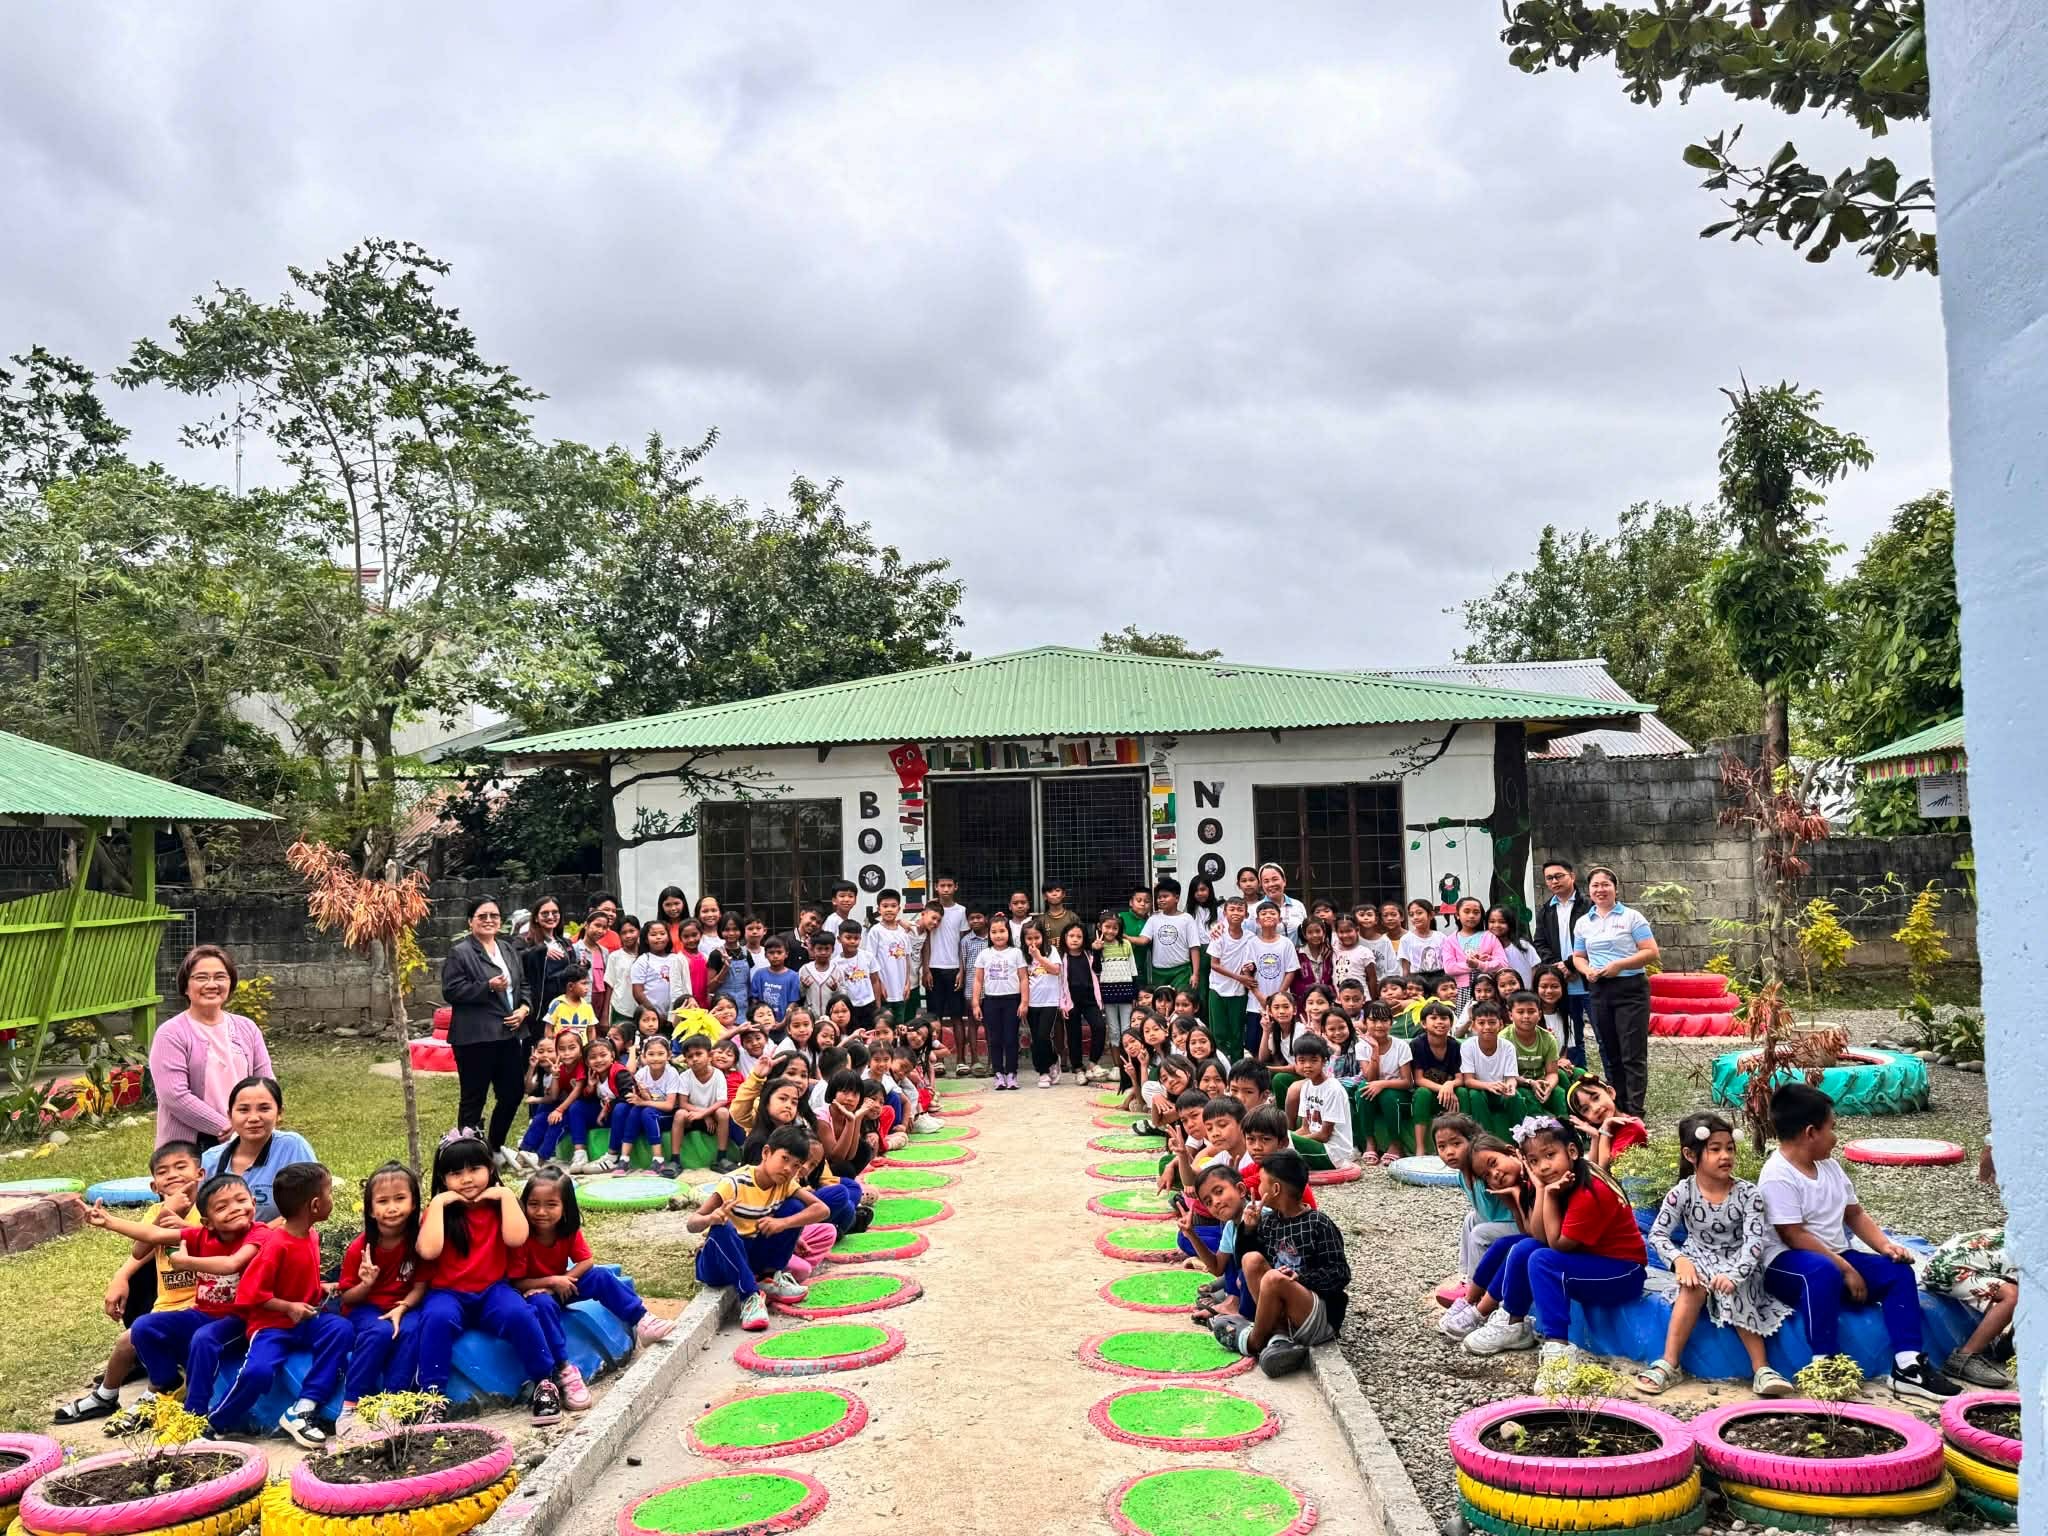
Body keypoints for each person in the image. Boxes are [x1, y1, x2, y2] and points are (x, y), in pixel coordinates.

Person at [1759, 1083, 1959, 1400]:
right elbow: (1793, 1235)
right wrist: (1846, 1269)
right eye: (1832, 1128)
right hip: (1786, 1264)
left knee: (1897, 1271)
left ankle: (1908, 1367)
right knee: (1822, 1271)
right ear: (1811, 1132)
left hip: (1833, 1257)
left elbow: (1854, 1214)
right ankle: (1825, 1364)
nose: (1836, 1137)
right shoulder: (1777, 1174)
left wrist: (1885, 1246)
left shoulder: (1830, 1167)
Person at [1462, 1116, 1647, 1367]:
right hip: (1591, 1260)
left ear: (1572, 1151)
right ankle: (1513, 1324)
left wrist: (1548, 1195)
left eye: (1550, 1155)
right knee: (1525, 1247)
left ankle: (1558, 1349)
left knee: (1542, 1259)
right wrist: (1541, 1190)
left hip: (1624, 1273)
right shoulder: (1554, 1182)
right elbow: (1538, 1237)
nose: (1544, 1166)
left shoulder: (1589, 1190)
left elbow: (1557, 1245)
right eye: (1534, 1161)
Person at [95, 1170, 270, 1430]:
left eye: (241, 1200)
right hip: (204, 1313)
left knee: (204, 1338)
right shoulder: (201, 1236)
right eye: (222, 1207)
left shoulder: (258, 1234)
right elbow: (153, 1235)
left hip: (242, 1318)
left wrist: (187, 1262)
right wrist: (108, 1221)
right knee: (143, 1327)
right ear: (207, 1222)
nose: (234, 1209)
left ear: (253, 1203)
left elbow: (231, 1263)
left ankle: (194, 1413)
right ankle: (168, 1381)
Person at [1636, 1112, 1795, 1398]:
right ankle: (1670, 1363)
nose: (1725, 1156)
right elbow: (1657, 1234)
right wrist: (1679, 1261)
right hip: (1697, 1256)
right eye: (1715, 1149)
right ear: (1690, 1154)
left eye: (1730, 1148)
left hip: (1738, 1260)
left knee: (1737, 1289)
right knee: (1691, 1287)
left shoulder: (1748, 1194)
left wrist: (1736, 1274)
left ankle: (1762, 1369)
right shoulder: (1682, 1192)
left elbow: (1754, 1242)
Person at [416, 1131, 564, 1425]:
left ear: (491, 1169)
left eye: (475, 1169)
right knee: (436, 1319)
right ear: (443, 1178)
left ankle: (545, 1382)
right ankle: (432, 1396)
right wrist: (439, 1203)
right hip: (448, 1292)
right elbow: (429, 1251)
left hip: (493, 1289)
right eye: (456, 1173)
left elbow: (517, 1238)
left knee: (519, 1314)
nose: (467, 1179)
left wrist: (506, 1195)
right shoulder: (440, 1211)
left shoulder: (500, 1206)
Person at [56, 1141, 206, 1425]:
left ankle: (156, 1396)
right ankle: (105, 1395)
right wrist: (164, 1213)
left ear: (200, 1173)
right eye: (163, 1171)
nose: (173, 1175)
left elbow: (206, 1241)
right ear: (154, 1186)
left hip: (198, 1303)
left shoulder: (207, 1210)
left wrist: (173, 1220)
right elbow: (139, 1250)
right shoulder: (155, 1212)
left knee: (140, 1336)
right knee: (126, 1343)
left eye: (181, 1167)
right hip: (167, 1303)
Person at [203, 1162, 351, 1445]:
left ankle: (303, 1408)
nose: (332, 1198)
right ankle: (215, 1423)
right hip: (273, 1327)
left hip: (306, 1321)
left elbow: (297, 1279)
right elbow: (249, 1293)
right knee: (258, 1372)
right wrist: (288, 1307)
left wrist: (321, 1288)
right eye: (330, 1192)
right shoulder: (275, 1245)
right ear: (315, 1205)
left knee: (340, 1330)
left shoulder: (311, 1234)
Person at [513, 1169, 673, 1410]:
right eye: (533, 1204)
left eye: (551, 1204)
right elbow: (515, 1281)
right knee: (543, 1305)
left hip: (562, 1286)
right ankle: (565, 1370)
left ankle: (642, 1320)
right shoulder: (521, 1236)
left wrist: (565, 1279)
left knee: (600, 1276)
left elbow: (586, 1261)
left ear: (565, 1207)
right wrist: (551, 1282)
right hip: (534, 1294)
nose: (541, 1212)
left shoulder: (567, 1230)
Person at [1204, 1151, 1350, 1376]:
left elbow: (1340, 1273)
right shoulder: (1270, 1221)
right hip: (1284, 1311)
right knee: (1252, 1260)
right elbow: (1244, 1263)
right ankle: (1279, 1338)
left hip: (1317, 1315)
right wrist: (1249, 1229)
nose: (1257, 1187)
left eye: (1261, 1182)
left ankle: (1254, 1341)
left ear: (1275, 1189)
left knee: (1274, 1277)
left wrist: (1301, 1278)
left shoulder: (1318, 1223)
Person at [687, 1123, 829, 1331]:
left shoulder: (785, 1184)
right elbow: (692, 1223)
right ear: (766, 1152)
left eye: (796, 1166)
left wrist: (783, 1223)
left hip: (750, 1254)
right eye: (784, 1159)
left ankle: (769, 1277)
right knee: (722, 1228)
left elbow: (822, 1209)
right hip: (717, 1264)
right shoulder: (734, 1182)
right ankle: (750, 1297)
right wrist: (711, 1218)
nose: (788, 1169)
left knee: (795, 1207)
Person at [149, 945, 274, 1154]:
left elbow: (267, 1083)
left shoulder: (247, 1028)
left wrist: (258, 1120)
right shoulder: (171, 1034)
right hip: (193, 1145)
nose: (211, 984)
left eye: (220, 977)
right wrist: (227, 1127)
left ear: (230, 983)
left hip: (247, 1134)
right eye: (201, 977)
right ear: (186, 986)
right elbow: (174, 1096)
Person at [442, 897, 533, 1158]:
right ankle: (467, 1155)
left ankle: (494, 1147)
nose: (489, 920)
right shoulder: (461, 952)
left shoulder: (507, 949)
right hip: (475, 1038)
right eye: (482, 916)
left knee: (513, 1092)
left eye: (494, 915)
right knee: (474, 1097)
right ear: (470, 922)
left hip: (508, 1034)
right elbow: (451, 990)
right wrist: (487, 987)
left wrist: (524, 1009)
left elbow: (523, 984)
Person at [336, 1162, 428, 1414]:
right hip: (366, 1307)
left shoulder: (418, 1242)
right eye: (383, 1201)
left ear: (414, 1202)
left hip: (405, 1305)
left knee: (411, 1331)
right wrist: (367, 1283)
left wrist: (403, 1307)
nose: (392, 1207)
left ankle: (394, 1404)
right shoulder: (361, 1248)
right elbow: (348, 1297)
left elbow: (420, 1286)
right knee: (379, 1332)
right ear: (371, 1209)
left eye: (400, 1198)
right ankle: (352, 1404)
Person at [1570, 867, 1656, 1113]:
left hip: (1630, 989)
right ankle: (1617, 1106)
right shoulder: (1583, 923)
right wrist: (1586, 971)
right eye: (1595, 885)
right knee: (1609, 1050)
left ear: (1615, 888)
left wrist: (1620, 965)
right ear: (1589, 890)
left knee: (1632, 1053)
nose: (1600, 889)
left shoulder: (1632, 917)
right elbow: (1578, 956)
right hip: (1599, 989)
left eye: (1605, 884)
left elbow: (1650, 952)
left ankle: (1635, 1110)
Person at [1433, 1119, 1525, 1340]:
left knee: (1480, 1233)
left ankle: (1477, 1289)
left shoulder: (1483, 1175)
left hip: (1516, 1224)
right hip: (1500, 1222)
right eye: (1442, 1147)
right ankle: (1467, 1280)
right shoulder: (1464, 1174)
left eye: (1456, 1143)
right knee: (1470, 1219)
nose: (1449, 1152)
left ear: (1472, 1141)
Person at [201, 1076, 318, 1223]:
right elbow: (200, 1217)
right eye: (243, 1110)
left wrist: (259, 1236)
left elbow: (309, 1208)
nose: (253, 1118)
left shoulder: (292, 1147)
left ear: (279, 1113)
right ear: (230, 1116)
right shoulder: (210, 1159)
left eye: (264, 1108)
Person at [1915, 1226, 2019, 1388]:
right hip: (1948, 1270)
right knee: (2012, 1297)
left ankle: (2006, 1346)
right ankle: (1964, 1358)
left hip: (1948, 1263)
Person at [1534, 860, 1593, 1068]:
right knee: (1571, 1038)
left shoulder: (1589, 906)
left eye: (1559, 876)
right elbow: (1540, 943)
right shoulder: (1546, 910)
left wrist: (1571, 965)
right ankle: (1577, 1078)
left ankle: (1609, 1082)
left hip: (1588, 981)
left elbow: (1595, 941)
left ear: (1572, 876)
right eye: (1549, 878)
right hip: (1562, 986)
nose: (1554, 881)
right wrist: (1557, 968)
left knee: (1603, 1035)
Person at [971, 913, 1027, 1090]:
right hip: (991, 1002)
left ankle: (1011, 1073)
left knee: (1010, 1038)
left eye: (1002, 931)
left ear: (1008, 932)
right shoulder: (984, 954)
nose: (998, 935)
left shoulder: (1016, 953)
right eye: (994, 932)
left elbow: (1023, 978)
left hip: (1012, 1001)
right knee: (994, 1039)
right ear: (989, 934)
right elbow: (978, 980)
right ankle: (998, 1073)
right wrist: (975, 1003)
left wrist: (1024, 1002)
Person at [1283, 1034, 1354, 1170]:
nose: (1307, 1066)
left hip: (1334, 1153)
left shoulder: (1333, 1089)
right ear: (1295, 1063)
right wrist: (1286, 1138)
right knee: (1277, 1137)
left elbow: (1324, 1135)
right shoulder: (1306, 1087)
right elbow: (1305, 1128)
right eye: (1302, 1061)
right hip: (1316, 1144)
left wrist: (1289, 1142)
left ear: (1324, 1061)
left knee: (1280, 1144)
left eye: (1314, 1060)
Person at [1354, 1004, 1412, 1165]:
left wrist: (1383, 1084)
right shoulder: (1361, 1046)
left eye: (1384, 1020)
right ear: (1365, 1022)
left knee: (1388, 1094)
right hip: (1373, 1090)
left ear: (1391, 1022)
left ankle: (1396, 1144)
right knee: (1362, 1091)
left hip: (1398, 1092)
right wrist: (1375, 1049)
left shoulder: (1401, 1046)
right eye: (1373, 1020)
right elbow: (1370, 1078)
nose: (1379, 1025)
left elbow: (1407, 1082)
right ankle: (1370, 1141)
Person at [674, 1033, 739, 1172]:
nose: (694, 1059)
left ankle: (721, 1158)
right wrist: (704, 1115)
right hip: (692, 1116)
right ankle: (675, 1160)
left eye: (698, 1054)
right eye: (690, 1056)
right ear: (686, 1060)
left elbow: (722, 1101)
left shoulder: (718, 1074)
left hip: (711, 1115)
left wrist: (706, 1114)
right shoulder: (685, 1076)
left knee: (723, 1112)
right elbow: (683, 1103)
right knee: (680, 1114)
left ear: (710, 1056)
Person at [1406, 1003, 1461, 1156]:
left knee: (1462, 1092)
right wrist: (1443, 1088)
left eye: (1444, 1018)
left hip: (1449, 1095)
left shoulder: (1454, 1045)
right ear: (1424, 1023)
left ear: (1451, 1023)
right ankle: (1420, 1148)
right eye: (1434, 1018)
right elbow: (1419, 1079)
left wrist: (1450, 1084)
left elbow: (1460, 1078)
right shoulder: (1418, 1044)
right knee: (1422, 1093)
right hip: (1428, 1094)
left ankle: (1460, 1141)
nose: (1439, 1022)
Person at [1137, 877, 1205, 998]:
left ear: (1176, 898)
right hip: (1158, 972)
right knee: (1162, 1005)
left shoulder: (1187, 919)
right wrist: (1123, 936)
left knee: (1181, 1003)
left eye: (1165, 896)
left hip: (1181, 972)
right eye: (1159, 897)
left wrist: (1195, 974)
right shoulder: (1153, 918)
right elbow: (1143, 940)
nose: (1161, 900)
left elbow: (1194, 948)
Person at [1441, 898, 1509, 1002]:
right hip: (1462, 990)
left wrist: (1479, 964)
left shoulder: (1489, 937)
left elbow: (1503, 964)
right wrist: (1473, 965)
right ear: (1457, 915)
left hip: (1488, 989)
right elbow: (1449, 968)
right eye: (1466, 911)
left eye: (1476, 912)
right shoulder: (1450, 941)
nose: (1471, 916)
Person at [749, 936, 802, 1024]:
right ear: (765, 955)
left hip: (784, 1023)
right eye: (771, 953)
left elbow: (793, 1003)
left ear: (786, 954)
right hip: (762, 1024)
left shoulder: (793, 976)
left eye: (779, 952)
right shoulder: (759, 975)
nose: (775, 956)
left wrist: (783, 1022)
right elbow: (754, 1000)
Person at [1488, 907, 1541, 989]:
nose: (1496, 925)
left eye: (1502, 922)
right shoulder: (1487, 950)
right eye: (1492, 921)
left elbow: (1535, 968)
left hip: (1526, 994)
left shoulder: (1523, 945)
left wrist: (1533, 991)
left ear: (1510, 923)